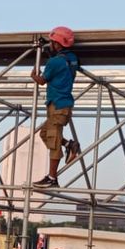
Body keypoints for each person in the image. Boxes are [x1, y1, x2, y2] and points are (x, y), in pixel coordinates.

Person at [31, 26, 81, 188]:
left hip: (57, 105)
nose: (50, 45)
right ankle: (69, 145)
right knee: (45, 133)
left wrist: (34, 76)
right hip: (64, 105)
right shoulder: (72, 58)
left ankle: (52, 178)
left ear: (58, 44)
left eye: (52, 42)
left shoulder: (54, 62)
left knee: (52, 139)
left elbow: (42, 80)